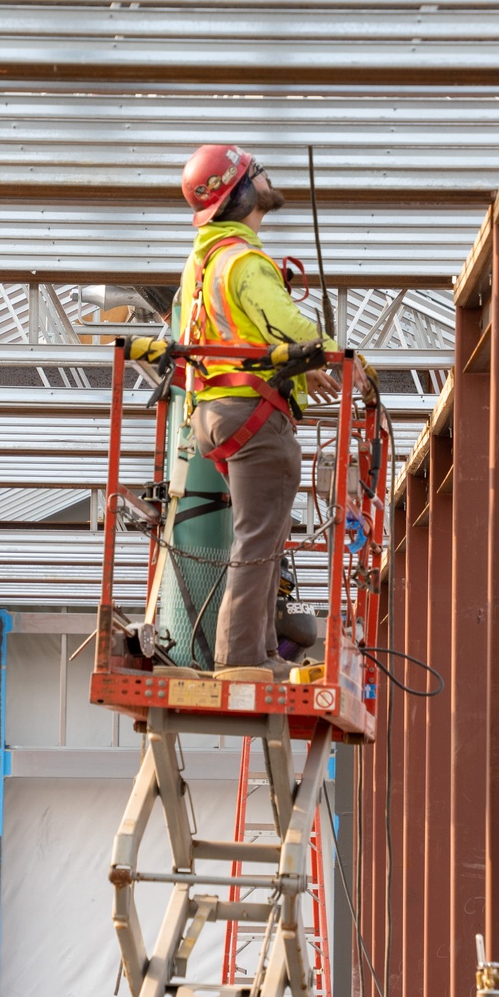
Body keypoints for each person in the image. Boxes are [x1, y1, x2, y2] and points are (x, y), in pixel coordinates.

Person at [177, 144, 339, 680]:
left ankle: (262, 650)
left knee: (264, 535)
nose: (268, 178)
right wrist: (338, 358)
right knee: (257, 537)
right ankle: (241, 656)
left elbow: (239, 338)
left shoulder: (202, 262)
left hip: (218, 411)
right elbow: (288, 327)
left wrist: (296, 370)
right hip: (251, 414)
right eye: (258, 173)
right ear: (242, 191)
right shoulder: (244, 260)